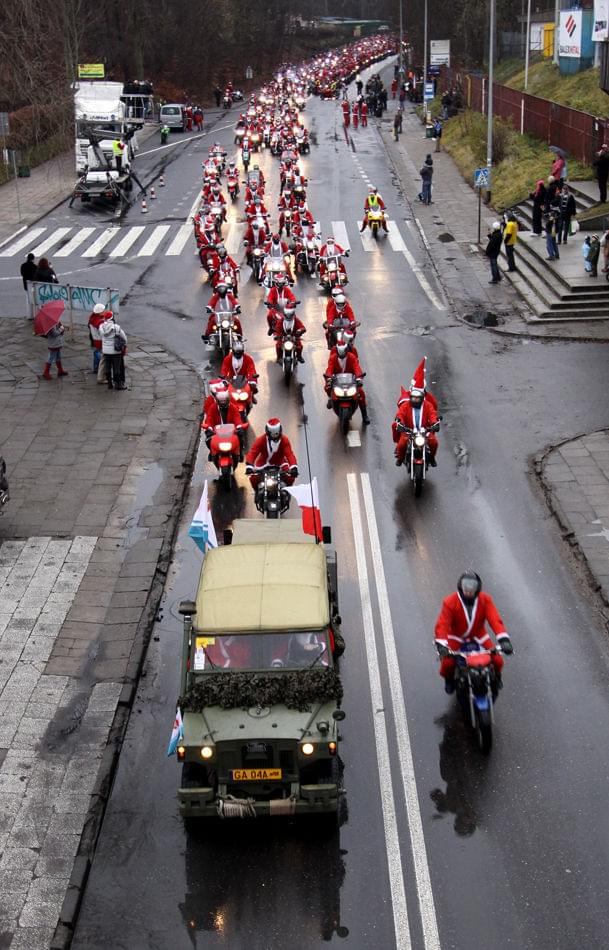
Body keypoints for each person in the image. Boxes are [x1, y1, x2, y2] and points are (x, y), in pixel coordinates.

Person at [434, 572, 513, 694]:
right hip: (456, 636)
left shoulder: (485, 600)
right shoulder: (450, 602)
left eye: (472, 588)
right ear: (461, 587)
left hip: (478, 635)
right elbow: (443, 624)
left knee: (498, 660)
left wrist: (504, 640)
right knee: (448, 663)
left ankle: (497, 677)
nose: (469, 591)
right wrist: (441, 645)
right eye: (466, 587)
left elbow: (495, 620)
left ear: (477, 588)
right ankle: (449, 680)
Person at [324, 342, 370, 424]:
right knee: (327, 387)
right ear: (337, 351)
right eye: (339, 351)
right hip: (337, 381)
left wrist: (359, 378)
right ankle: (330, 398)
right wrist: (328, 377)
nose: (341, 354)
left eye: (343, 351)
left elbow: (357, 367)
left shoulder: (352, 357)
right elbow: (329, 368)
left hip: (350, 381)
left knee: (361, 393)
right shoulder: (333, 358)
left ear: (346, 350)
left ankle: (365, 416)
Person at [392, 385, 439, 466]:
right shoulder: (405, 405)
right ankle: (400, 458)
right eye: (414, 398)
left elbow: (432, 415)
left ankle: (432, 457)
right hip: (408, 430)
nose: (415, 400)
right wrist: (400, 423)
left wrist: (434, 423)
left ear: (421, 398)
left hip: (424, 430)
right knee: (401, 445)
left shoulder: (428, 405)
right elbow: (400, 415)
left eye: (417, 398)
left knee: (434, 442)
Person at [245, 418, 298, 489]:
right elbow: (253, 453)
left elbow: (289, 454)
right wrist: (249, 466)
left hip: (280, 463)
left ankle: (287, 491)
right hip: (263, 464)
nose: (275, 436)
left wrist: (293, 467)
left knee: (291, 477)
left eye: (276, 433)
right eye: (273, 434)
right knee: (253, 478)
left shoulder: (284, 440)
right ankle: (257, 492)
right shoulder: (261, 440)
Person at [99, 313, 127, 390]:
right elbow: (124, 338)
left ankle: (109, 383)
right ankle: (118, 384)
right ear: (112, 318)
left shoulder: (101, 327)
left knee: (107, 367)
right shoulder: (116, 327)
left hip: (106, 351)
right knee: (117, 368)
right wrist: (125, 345)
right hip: (116, 351)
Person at [88, 302, 106, 373]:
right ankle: (101, 368)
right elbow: (103, 331)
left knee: (95, 353)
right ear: (100, 312)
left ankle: (95, 368)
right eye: (103, 310)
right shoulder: (99, 321)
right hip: (99, 340)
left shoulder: (92, 318)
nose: (104, 311)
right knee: (99, 354)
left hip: (93, 338)